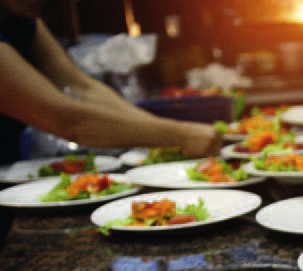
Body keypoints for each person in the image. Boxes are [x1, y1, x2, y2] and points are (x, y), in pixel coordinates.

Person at [0, 0, 223, 165]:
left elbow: (82, 87)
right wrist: (181, 135)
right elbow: (65, 119)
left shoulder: (22, 18)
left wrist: (173, 132)